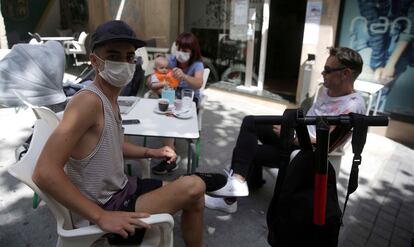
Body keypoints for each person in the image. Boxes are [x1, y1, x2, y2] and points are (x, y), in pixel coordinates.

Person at [32, 20, 206, 247]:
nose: (125, 64)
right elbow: (44, 172)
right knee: (194, 186)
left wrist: (151, 151)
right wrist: (100, 216)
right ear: (95, 61)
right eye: (114, 56)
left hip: (122, 188)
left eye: (130, 57)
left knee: (194, 193)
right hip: (104, 206)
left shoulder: (111, 98)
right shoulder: (88, 101)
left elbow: (113, 144)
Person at [205, 47, 367, 213]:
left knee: (246, 151)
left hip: (304, 151)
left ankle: (230, 200)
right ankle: (240, 182)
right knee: (250, 122)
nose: (322, 74)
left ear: (346, 74)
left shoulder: (353, 107)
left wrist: (292, 136)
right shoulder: (325, 89)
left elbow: (327, 146)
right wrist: (289, 125)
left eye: (327, 70)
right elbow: (309, 115)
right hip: (295, 135)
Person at [149, 32, 205, 175]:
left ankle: (170, 157)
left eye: (185, 51)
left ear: (192, 52)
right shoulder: (171, 60)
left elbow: (199, 83)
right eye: (179, 49)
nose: (180, 53)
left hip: (189, 100)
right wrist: (157, 82)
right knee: (167, 115)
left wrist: (184, 76)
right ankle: (171, 156)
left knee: (168, 117)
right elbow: (152, 79)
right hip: (172, 97)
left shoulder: (197, 64)